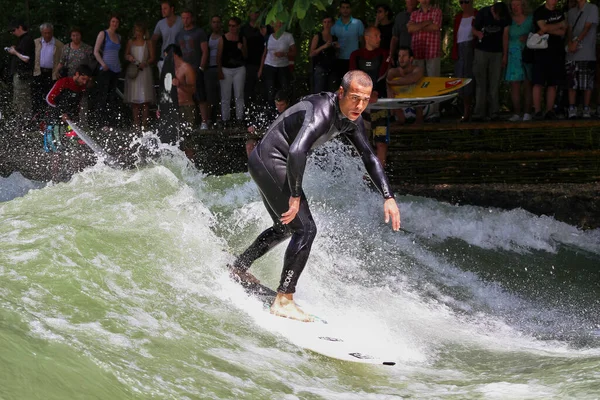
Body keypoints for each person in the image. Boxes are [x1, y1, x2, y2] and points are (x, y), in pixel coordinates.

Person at [229, 70, 401, 322]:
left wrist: (388, 196)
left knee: (285, 227)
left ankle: (239, 267)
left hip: (267, 160)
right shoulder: (322, 111)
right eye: (355, 98)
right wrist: (295, 195)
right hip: (271, 159)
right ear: (341, 93)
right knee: (306, 230)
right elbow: (298, 151)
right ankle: (284, 299)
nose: (360, 105)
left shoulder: (350, 119)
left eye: (365, 100)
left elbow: (369, 156)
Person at [349, 27, 390, 167]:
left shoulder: (384, 53)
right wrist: (365, 93)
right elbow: (353, 75)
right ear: (367, 37)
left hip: (379, 103)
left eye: (380, 35)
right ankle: (364, 178)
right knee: (363, 142)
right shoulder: (356, 55)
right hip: (361, 105)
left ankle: (381, 178)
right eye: (376, 35)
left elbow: (383, 74)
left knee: (381, 141)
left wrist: (375, 92)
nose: (379, 38)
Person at [471, 1, 510, 121]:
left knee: (494, 83)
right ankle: (479, 113)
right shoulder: (483, 12)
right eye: (496, 16)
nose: (498, 19)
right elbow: (473, 29)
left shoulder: (505, 16)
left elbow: (505, 36)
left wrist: (504, 55)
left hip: (497, 53)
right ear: (493, 10)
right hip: (481, 51)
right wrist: (478, 34)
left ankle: (494, 112)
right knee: (480, 83)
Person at [408, 0, 443, 121]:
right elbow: (410, 29)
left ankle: (434, 113)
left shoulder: (437, 11)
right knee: (417, 83)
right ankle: (419, 113)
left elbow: (436, 26)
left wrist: (418, 26)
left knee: (433, 82)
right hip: (417, 51)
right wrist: (426, 23)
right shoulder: (414, 14)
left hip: (432, 51)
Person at [532, 0, 567, 120]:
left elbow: (564, 30)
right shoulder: (539, 11)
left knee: (553, 83)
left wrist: (548, 28)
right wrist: (558, 25)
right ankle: (537, 111)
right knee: (538, 82)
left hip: (556, 52)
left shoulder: (559, 12)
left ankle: (549, 110)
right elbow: (543, 27)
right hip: (541, 52)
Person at [176, 10, 209, 129]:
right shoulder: (179, 34)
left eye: (187, 18)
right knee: (186, 94)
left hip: (196, 67)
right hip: (184, 69)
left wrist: (201, 67)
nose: (185, 20)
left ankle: (204, 121)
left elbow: (205, 51)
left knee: (200, 94)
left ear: (191, 18)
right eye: (183, 18)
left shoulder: (199, 32)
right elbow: (177, 53)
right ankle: (188, 122)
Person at [565, 0, 598, 119]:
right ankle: (572, 108)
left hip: (587, 53)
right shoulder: (571, 12)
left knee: (587, 84)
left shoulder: (592, 8)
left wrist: (577, 41)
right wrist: (570, 42)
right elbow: (569, 29)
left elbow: (588, 26)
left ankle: (586, 108)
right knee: (571, 83)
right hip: (571, 54)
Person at [504, 0, 534, 122]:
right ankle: (516, 113)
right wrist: (504, 55)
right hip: (513, 54)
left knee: (528, 84)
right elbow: (505, 37)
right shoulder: (508, 19)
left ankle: (527, 112)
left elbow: (538, 33)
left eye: (517, 5)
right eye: (513, 5)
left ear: (523, 4)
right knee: (515, 85)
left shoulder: (531, 19)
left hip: (527, 54)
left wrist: (528, 37)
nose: (515, 7)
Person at [124, 22, 156, 130]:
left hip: (144, 71)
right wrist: (129, 58)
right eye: (136, 31)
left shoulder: (148, 42)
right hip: (134, 70)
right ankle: (136, 124)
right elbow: (126, 54)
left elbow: (152, 57)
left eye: (139, 31)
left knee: (145, 100)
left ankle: (144, 124)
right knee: (134, 100)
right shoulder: (131, 42)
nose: (137, 33)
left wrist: (145, 62)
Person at [93, 13, 122, 129]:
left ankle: (111, 122)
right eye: (113, 21)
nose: (114, 24)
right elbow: (96, 51)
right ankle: (101, 122)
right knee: (103, 95)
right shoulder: (103, 34)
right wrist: (103, 64)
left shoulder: (119, 37)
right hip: (105, 68)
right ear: (110, 22)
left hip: (115, 68)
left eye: (117, 22)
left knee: (112, 96)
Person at [451, 0, 478, 122]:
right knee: (460, 81)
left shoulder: (477, 14)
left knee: (470, 80)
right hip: (459, 50)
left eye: (466, 2)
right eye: (461, 2)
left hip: (472, 50)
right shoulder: (458, 17)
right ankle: (464, 111)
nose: (464, 5)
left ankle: (473, 111)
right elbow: (455, 36)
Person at [218, 17, 247, 124]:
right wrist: (219, 70)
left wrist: (242, 48)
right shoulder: (223, 38)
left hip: (239, 68)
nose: (231, 28)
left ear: (238, 26)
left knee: (239, 95)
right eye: (229, 25)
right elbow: (219, 56)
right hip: (225, 69)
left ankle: (240, 118)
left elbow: (246, 55)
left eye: (233, 25)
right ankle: (225, 119)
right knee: (225, 95)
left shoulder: (241, 38)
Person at [259, 20, 296, 103]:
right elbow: (264, 53)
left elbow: (294, 52)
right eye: (276, 22)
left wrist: (284, 54)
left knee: (284, 90)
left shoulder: (288, 36)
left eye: (280, 22)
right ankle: (271, 111)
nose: (278, 24)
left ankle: (285, 111)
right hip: (269, 66)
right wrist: (260, 69)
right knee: (270, 90)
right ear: (272, 24)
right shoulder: (269, 37)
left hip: (283, 67)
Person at [387, 46, 425, 126]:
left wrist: (392, 82)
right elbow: (388, 81)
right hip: (400, 107)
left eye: (404, 56)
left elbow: (412, 79)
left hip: (419, 107)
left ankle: (419, 120)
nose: (401, 59)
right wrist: (389, 87)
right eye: (399, 56)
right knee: (389, 90)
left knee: (417, 88)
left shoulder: (418, 69)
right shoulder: (393, 71)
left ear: (411, 59)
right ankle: (400, 119)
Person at [245, 90, 290, 157]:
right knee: (250, 145)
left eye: (282, 105)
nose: (279, 107)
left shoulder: (291, 112)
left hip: (282, 142)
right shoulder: (272, 110)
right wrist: (254, 125)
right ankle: (254, 166)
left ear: (287, 103)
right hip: (266, 138)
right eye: (277, 104)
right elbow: (261, 119)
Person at [6, 19, 35, 122]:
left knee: (22, 100)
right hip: (20, 75)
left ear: (20, 27)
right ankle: (22, 121)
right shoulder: (23, 40)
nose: (12, 33)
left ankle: (24, 122)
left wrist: (15, 52)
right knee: (19, 99)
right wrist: (16, 49)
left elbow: (26, 58)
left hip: (23, 75)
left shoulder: (27, 39)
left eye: (13, 30)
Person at [331, 1, 365, 86]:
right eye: (343, 7)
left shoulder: (358, 23)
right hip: (340, 58)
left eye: (347, 7)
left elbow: (362, 41)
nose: (345, 10)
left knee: (354, 83)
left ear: (350, 9)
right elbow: (331, 42)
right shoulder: (334, 25)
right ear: (340, 9)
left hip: (355, 58)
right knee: (341, 84)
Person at [33, 23, 64, 113]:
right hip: (38, 72)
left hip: (52, 74)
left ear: (52, 32)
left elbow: (62, 60)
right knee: (37, 97)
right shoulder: (36, 42)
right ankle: (37, 118)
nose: (47, 35)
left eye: (49, 33)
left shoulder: (59, 45)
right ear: (41, 33)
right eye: (45, 33)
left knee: (51, 96)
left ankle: (49, 118)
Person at [241, 8, 266, 105]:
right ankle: (247, 113)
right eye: (252, 12)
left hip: (264, 62)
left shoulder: (264, 27)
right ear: (249, 13)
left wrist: (264, 34)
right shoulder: (244, 29)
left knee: (262, 90)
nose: (254, 15)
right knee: (248, 89)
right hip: (248, 63)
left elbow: (270, 43)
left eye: (257, 12)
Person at [152, 0, 183, 74]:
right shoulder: (160, 23)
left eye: (165, 8)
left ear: (172, 9)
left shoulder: (181, 21)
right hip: (164, 58)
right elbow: (153, 40)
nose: (162, 11)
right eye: (162, 9)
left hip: (179, 58)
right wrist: (153, 57)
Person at [309, 15, 338, 93]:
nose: (327, 24)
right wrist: (323, 47)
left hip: (332, 68)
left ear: (332, 24)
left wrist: (337, 47)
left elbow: (336, 54)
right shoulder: (318, 36)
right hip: (320, 68)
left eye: (329, 22)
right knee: (319, 92)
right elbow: (311, 53)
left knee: (332, 92)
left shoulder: (334, 37)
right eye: (325, 22)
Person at [206, 15, 223, 124]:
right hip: (210, 67)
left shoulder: (225, 36)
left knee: (221, 94)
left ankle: (220, 118)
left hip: (221, 67)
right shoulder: (207, 36)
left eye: (218, 22)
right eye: (214, 22)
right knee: (210, 94)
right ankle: (209, 119)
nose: (216, 24)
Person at [390, 0, 418, 66]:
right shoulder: (400, 17)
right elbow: (395, 37)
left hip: (420, 55)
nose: (411, 1)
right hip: (403, 56)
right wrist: (391, 54)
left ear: (418, 1)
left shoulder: (424, 15)